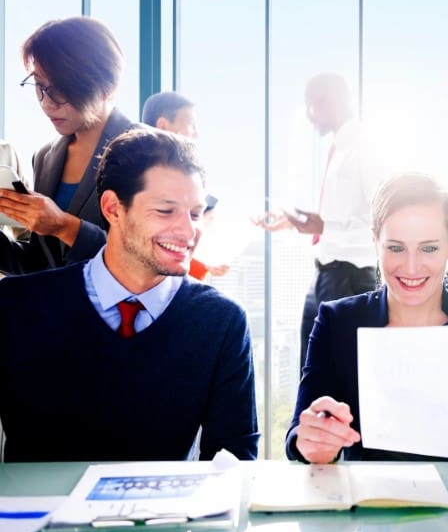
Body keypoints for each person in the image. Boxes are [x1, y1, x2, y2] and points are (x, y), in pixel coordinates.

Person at [0, 128, 259, 462]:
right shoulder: (16, 307)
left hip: (166, 514)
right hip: (33, 512)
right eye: (165, 211)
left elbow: (234, 460)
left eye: (195, 213)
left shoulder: (221, 321)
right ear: (113, 209)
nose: (189, 230)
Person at [285, 172, 448, 479]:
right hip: (376, 509)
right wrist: (312, 443)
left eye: (429, 248)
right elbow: (298, 435)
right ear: (375, 243)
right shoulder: (338, 321)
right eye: (395, 248)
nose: (411, 267)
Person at [256, 72, 381, 370]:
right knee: (312, 370)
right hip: (326, 273)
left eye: (314, 106)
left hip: (351, 277)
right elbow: (344, 214)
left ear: (334, 100)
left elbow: (380, 222)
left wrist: (324, 227)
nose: (311, 116)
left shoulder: (365, 147)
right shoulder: (338, 148)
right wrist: (296, 222)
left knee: (340, 375)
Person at [0, 16, 137, 275]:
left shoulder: (152, 152)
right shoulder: (45, 157)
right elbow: (40, 265)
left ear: (107, 85)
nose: (47, 103)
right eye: (40, 86)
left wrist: (64, 226)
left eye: (61, 89)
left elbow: (147, 260)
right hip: (55, 313)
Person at [141, 90, 228, 280]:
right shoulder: (139, 180)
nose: (196, 134)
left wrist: (203, 264)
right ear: (163, 125)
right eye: (190, 125)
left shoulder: (184, 178)